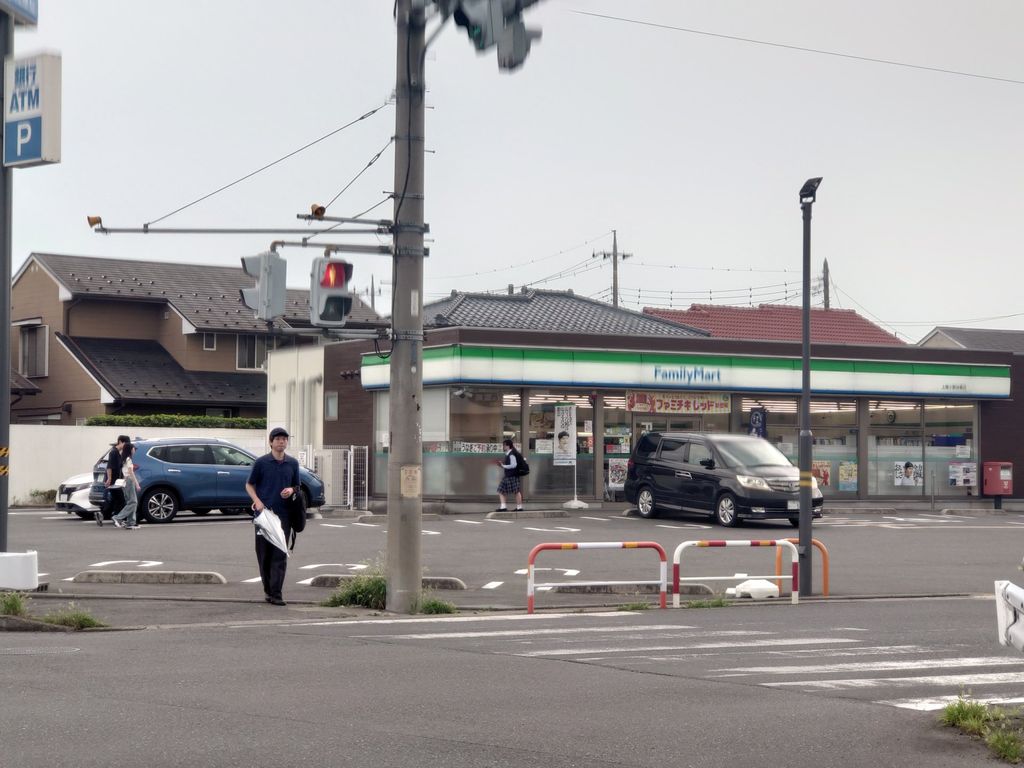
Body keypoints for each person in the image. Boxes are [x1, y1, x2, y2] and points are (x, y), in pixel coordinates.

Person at [245, 427, 300, 606]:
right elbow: (249, 485)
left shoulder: (292, 463)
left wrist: (291, 489)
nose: (281, 442)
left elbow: (297, 486)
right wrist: (257, 501)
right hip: (263, 516)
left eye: (284, 439)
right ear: (270, 442)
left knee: (279, 555)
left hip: (284, 516)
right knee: (264, 555)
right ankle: (268, 590)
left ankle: (277, 594)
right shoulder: (261, 462)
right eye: (277, 439)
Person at [99, 435, 128, 526]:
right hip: (113, 481)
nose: (126, 446)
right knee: (121, 500)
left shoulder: (118, 453)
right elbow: (109, 467)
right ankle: (117, 518)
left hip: (116, 481)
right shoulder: (113, 452)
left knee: (115, 500)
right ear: (120, 441)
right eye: (125, 444)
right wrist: (109, 479)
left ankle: (102, 514)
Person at [111, 441, 141, 529]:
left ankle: (131, 522)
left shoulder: (124, 459)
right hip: (129, 481)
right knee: (133, 502)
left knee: (130, 502)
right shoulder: (128, 459)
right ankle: (117, 518)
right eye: (133, 448)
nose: (134, 450)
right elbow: (130, 472)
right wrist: (137, 484)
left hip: (125, 482)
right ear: (130, 449)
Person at [494, 438, 524, 512]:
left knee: (512, 491)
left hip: (511, 475)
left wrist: (503, 466)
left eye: (504, 445)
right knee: (505, 490)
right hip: (510, 475)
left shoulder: (512, 454)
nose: (503, 447)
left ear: (508, 446)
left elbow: (514, 465)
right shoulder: (509, 453)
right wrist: (503, 464)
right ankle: (508, 507)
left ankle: (515, 507)